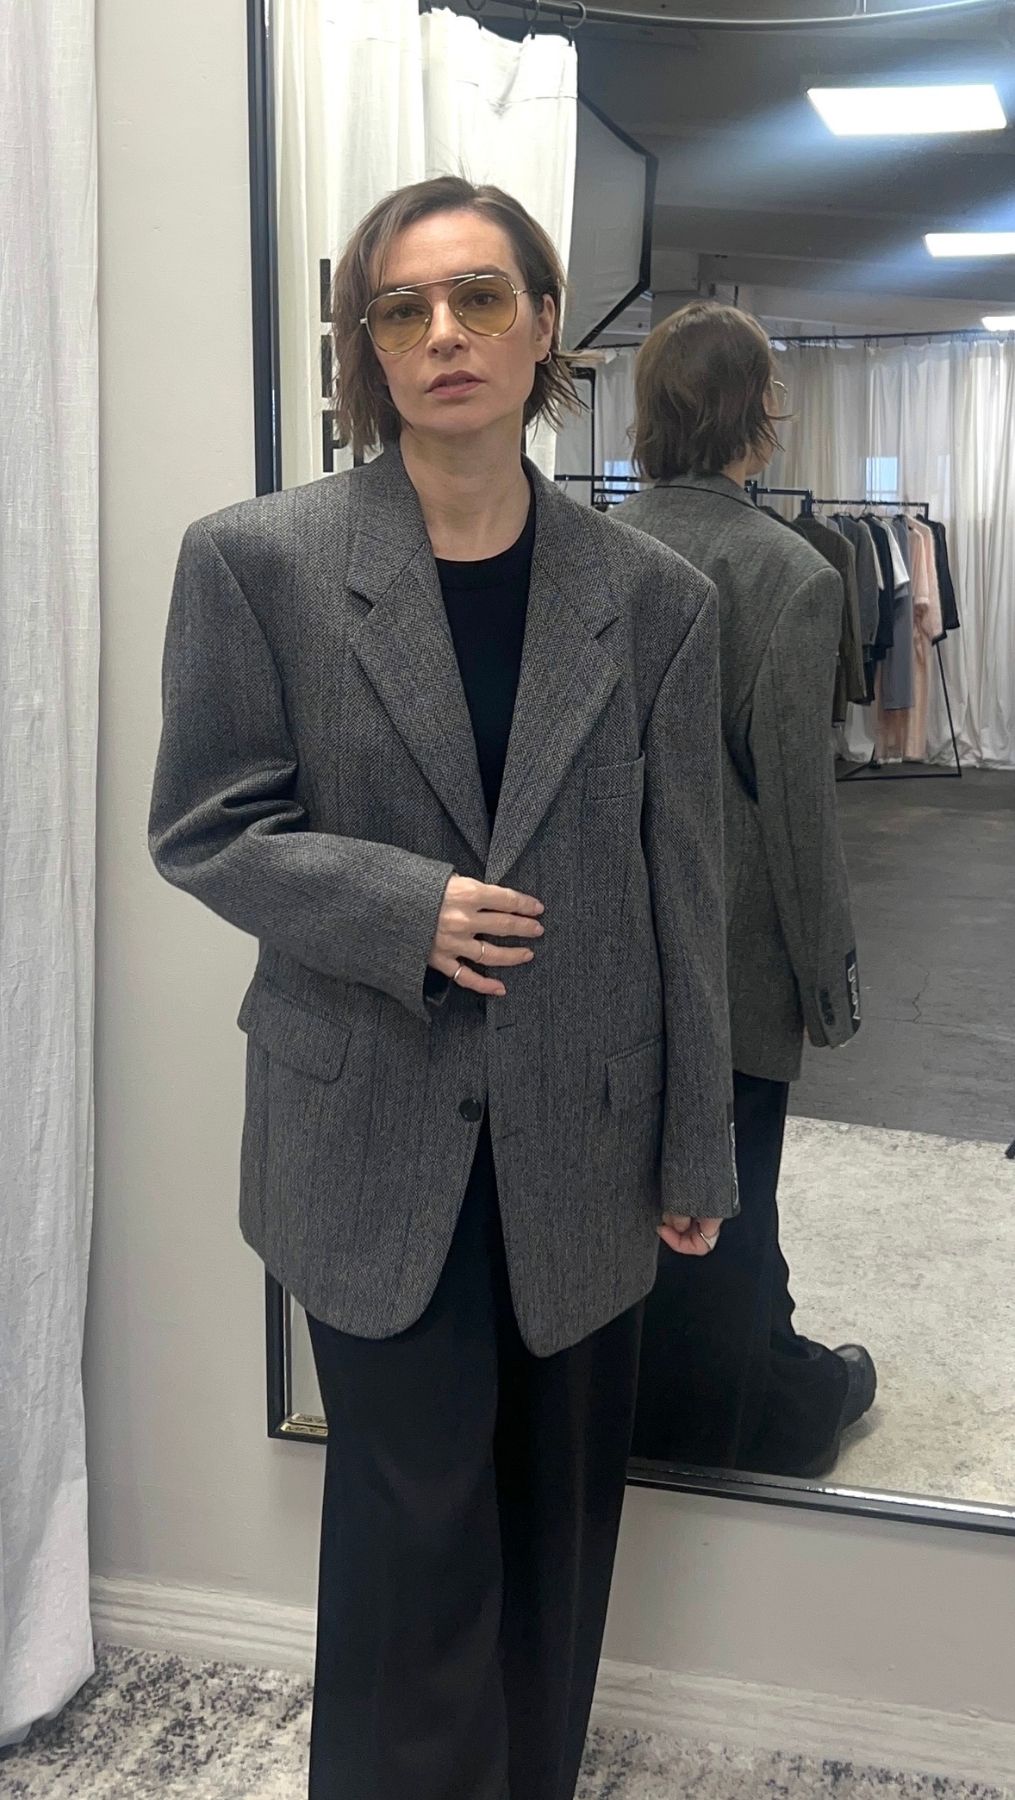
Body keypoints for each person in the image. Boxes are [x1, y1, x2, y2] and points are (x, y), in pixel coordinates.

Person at [148, 178, 738, 1800]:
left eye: (479, 296)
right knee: (411, 1545)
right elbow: (206, 828)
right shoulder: (256, 564)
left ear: (544, 324)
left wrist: (696, 1146)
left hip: (585, 1135)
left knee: (556, 1532)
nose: (443, 334)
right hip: (365, 1128)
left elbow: (685, 889)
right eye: (402, 308)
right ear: (367, 344)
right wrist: (401, 909)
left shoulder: (655, 603)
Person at [616, 301, 877, 1481]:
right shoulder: (790, 575)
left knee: (627, 1196)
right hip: (729, 956)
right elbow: (797, 817)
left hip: (599, 946)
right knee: (726, 1200)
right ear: (754, 416)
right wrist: (829, 984)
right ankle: (758, 1422)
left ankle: (770, 1375)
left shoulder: (580, 548)